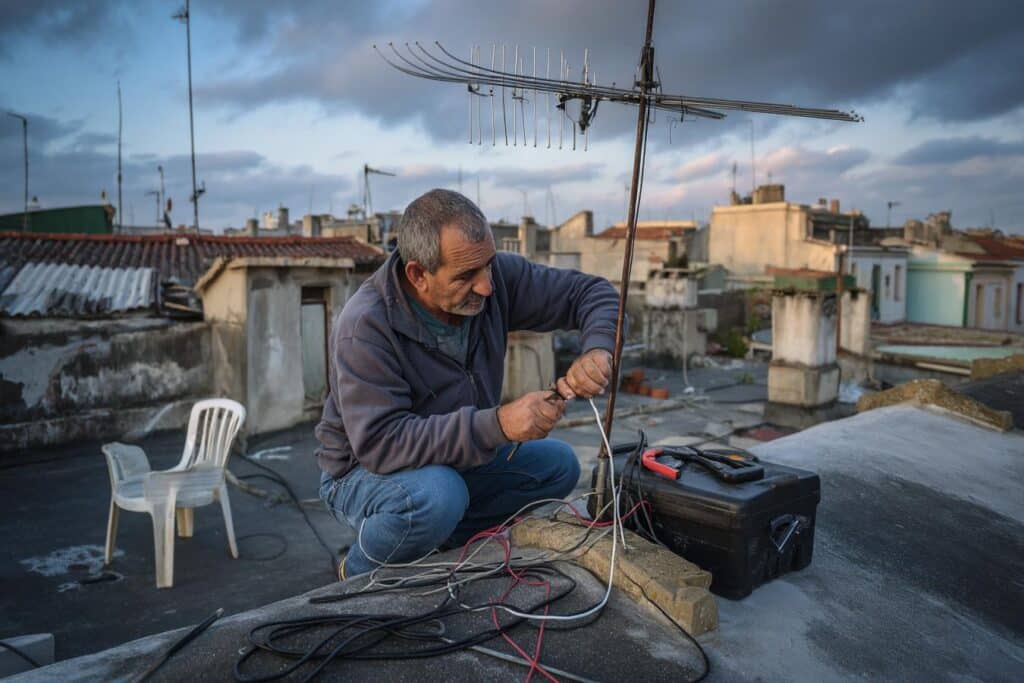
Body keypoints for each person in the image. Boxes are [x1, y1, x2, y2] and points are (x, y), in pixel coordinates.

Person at [315, 189, 620, 578]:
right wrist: (499, 425)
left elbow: (591, 292)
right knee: (439, 496)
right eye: (466, 276)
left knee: (558, 466)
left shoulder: (492, 279)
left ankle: (447, 545)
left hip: (452, 457)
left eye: (488, 266)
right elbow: (381, 443)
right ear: (418, 275)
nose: (486, 287)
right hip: (360, 472)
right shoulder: (365, 327)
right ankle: (357, 572)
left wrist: (597, 349)